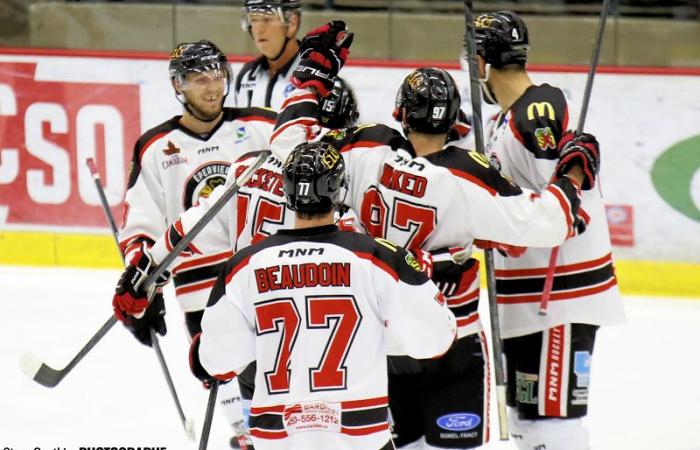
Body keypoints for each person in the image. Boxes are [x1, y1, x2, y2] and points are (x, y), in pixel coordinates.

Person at [272, 60, 601, 449]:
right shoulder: (468, 175)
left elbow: (289, 149)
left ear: (401, 112)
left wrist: (310, 80)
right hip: (451, 338)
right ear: (452, 121)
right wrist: (574, 171)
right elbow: (551, 222)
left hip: (380, 340)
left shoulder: (366, 146)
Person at [187, 141, 458, 450]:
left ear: (287, 192)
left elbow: (217, 362)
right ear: (338, 189)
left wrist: (201, 353)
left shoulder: (244, 266)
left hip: (279, 441)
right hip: (360, 440)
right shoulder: (376, 257)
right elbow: (435, 340)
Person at [471, 10, 627, 450]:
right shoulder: (503, 119)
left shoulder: (537, 109)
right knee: (527, 424)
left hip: (557, 299)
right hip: (527, 300)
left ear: (482, 62)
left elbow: (560, 211)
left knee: (551, 428)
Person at [114, 39, 276, 448]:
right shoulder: (154, 147)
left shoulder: (261, 126)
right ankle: (246, 436)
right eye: (199, 78)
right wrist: (142, 279)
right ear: (178, 86)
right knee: (223, 378)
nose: (212, 87)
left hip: (263, 274)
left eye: (217, 76)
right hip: (198, 285)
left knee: (276, 378)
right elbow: (141, 222)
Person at [234, 0, 302, 109]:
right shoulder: (245, 76)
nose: (258, 29)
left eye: (267, 19)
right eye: (254, 20)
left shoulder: (319, 78)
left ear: (292, 24)